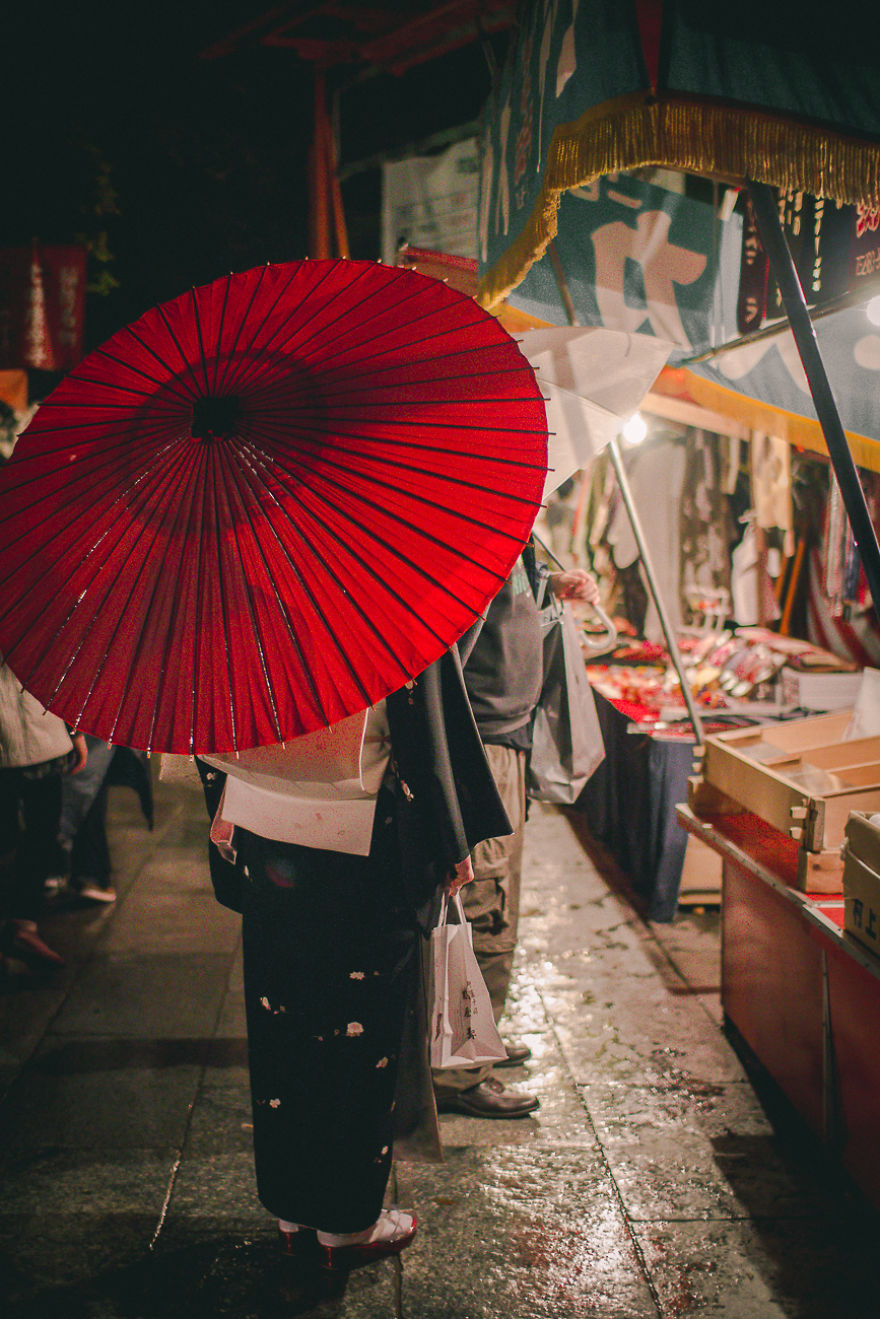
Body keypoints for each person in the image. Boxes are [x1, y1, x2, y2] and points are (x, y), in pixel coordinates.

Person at [195, 642, 511, 1270]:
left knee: (282, 1019)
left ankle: (291, 1209)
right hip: (360, 836)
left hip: (263, 825)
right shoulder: (377, 605)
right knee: (357, 1032)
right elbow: (421, 721)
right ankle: (346, 1226)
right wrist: (450, 838)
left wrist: (229, 798)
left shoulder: (223, 602)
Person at [433, 541, 600, 1118]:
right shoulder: (481, 538)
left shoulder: (522, 541)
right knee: (482, 909)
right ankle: (458, 1071)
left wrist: (550, 589)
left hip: (508, 742)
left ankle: (482, 1040)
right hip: (483, 747)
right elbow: (448, 662)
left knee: (499, 905)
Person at [0, 659, 87, 971]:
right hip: (24, 735)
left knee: (42, 834)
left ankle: (24, 924)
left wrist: (73, 729)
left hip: (42, 733)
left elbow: (58, 664)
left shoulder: (30, 610)